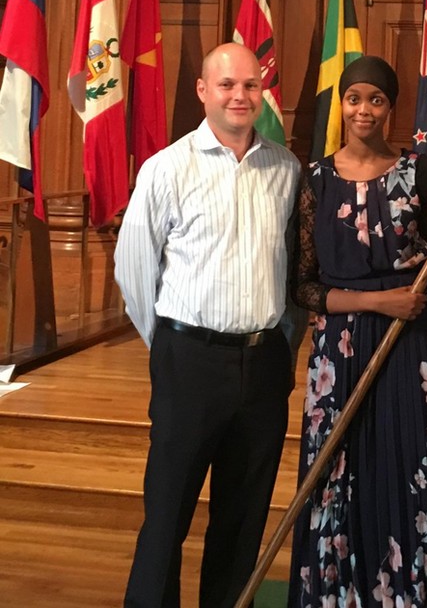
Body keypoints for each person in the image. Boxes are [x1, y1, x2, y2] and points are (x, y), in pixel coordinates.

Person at [287, 55, 427, 607]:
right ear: (342, 105)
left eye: (376, 100)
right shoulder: (316, 179)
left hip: (407, 345)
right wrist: (378, 301)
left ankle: (406, 595)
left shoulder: (417, 171)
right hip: (339, 348)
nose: (364, 110)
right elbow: (301, 285)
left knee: (405, 464)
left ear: (390, 107)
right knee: (336, 471)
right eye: (354, 99)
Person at [115, 42, 306, 607]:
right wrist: (174, 347)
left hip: (264, 363)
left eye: (250, 85)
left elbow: (295, 275)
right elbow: (134, 272)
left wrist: (277, 348)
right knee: (167, 514)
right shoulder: (167, 168)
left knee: (242, 519)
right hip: (189, 363)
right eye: (227, 85)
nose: (240, 96)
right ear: (204, 91)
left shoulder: (287, 170)